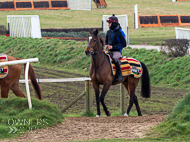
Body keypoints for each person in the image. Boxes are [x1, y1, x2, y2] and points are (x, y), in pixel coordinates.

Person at [104, 14, 127, 82]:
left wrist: (113, 47)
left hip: (117, 52)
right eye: (108, 23)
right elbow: (106, 41)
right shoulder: (108, 32)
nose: (108, 25)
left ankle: (119, 75)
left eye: (110, 23)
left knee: (114, 58)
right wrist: (106, 45)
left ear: (114, 23)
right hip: (109, 51)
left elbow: (124, 44)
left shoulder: (120, 32)